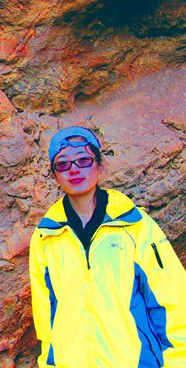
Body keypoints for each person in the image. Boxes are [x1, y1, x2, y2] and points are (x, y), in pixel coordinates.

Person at [29, 126, 186, 367]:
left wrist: (178, 361)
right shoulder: (46, 236)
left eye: (84, 160)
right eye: (63, 164)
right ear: (55, 175)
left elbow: (172, 298)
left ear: (100, 166)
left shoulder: (134, 225)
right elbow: (45, 315)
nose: (74, 170)